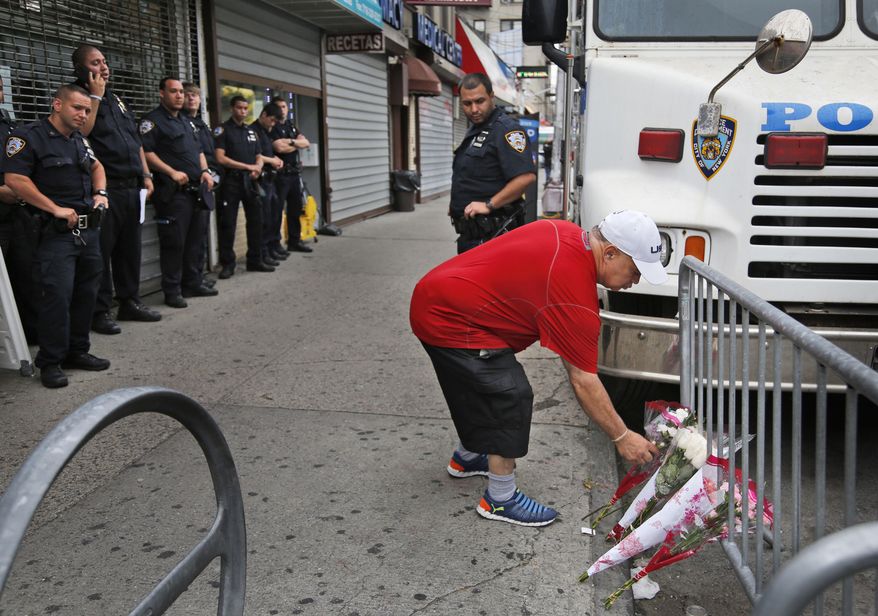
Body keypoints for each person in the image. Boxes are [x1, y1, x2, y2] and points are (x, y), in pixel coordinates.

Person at [410, 210, 666, 526]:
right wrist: (622, 436)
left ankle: (468, 457)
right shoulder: (574, 294)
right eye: (636, 269)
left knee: (477, 383)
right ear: (610, 252)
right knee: (509, 393)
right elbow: (583, 380)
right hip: (450, 318)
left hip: (439, 296)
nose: (637, 280)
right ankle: (500, 499)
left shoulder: (564, 231)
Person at [4, 84, 111, 388]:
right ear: (57, 105)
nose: (83, 115)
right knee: (56, 297)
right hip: (53, 233)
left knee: (86, 294)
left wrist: (100, 194)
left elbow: (97, 166)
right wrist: (55, 208)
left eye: (88, 110)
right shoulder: (28, 136)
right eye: (78, 108)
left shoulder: (79, 140)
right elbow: (15, 179)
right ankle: (50, 361)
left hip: (87, 231)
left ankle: (77, 351)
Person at [71, 44, 162, 335]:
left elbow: (134, 140)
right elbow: (81, 132)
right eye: (96, 63)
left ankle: (130, 302)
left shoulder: (117, 99)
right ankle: (99, 312)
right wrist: (94, 96)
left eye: (104, 61)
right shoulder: (78, 97)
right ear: (81, 69)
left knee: (129, 249)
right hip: (103, 189)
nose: (104, 67)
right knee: (101, 253)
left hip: (131, 187)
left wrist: (146, 174)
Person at [140, 77, 215, 308]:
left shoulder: (188, 122)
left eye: (182, 91)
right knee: (174, 243)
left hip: (196, 190)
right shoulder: (152, 122)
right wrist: (171, 172)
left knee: (195, 241)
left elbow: (200, 150)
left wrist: (204, 171)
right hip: (173, 193)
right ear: (161, 93)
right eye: (174, 91)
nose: (180, 95)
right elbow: (146, 152)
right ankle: (172, 290)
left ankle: (192, 282)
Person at [450, 73, 536, 254]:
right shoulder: (476, 129)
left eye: (479, 101)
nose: (474, 109)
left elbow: (526, 177)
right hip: (472, 234)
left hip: (494, 236)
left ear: (491, 96)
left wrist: (489, 204)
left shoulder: (507, 130)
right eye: (467, 103)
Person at [214, 96, 270, 278]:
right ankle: (227, 264)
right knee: (228, 223)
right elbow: (220, 158)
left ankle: (255, 259)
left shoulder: (251, 131)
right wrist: (248, 167)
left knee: (256, 221)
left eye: (246, 108)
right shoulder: (222, 130)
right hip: (231, 181)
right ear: (232, 108)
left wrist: (258, 168)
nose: (243, 112)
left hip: (251, 181)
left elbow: (259, 155)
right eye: (239, 108)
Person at [182, 82, 219, 289]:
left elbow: (209, 154)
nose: (191, 99)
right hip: (191, 185)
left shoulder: (201, 124)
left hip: (208, 182)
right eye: (187, 95)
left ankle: (198, 276)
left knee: (201, 235)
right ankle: (190, 280)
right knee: (192, 238)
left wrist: (215, 176)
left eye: (195, 95)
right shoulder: (182, 123)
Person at [270, 96, 312, 254]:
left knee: (295, 209)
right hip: (280, 175)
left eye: (284, 106)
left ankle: (295, 241)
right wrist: (296, 144)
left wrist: (291, 143)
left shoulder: (291, 126)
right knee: (277, 210)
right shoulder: (273, 127)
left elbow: (306, 143)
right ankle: (275, 243)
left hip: (294, 174)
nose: (282, 109)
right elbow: (279, 149)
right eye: (279, 107)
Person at [250, 102, 285, 267]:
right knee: (262, 219)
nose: (273, 124)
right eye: (271, 120)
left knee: (272, 216)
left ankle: (270, 249)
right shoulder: (253, 131)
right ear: (263, 114)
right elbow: (256, 156)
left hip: (270, 181)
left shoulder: (265, 131)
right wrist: (273, 160)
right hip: (260, 181)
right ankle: (261, 254)